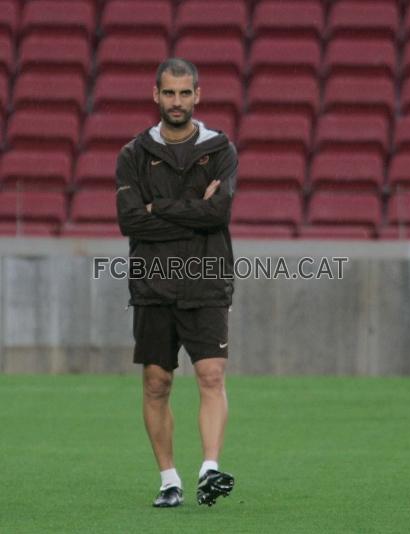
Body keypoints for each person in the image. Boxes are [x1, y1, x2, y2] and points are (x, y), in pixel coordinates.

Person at [115, 58, 238, 508]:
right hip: (152, 283)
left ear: (198, 96)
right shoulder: (133, 154)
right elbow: (130, 221)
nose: (177, 102)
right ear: (156, 95)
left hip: (207, 278)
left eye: (185, 93)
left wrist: (157, 209)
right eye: (169, 93)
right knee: (155, 382)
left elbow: (218, 214)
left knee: (210, 373)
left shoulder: (221, 149)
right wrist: (191, 212)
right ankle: (169, 479)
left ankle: (209, 469)